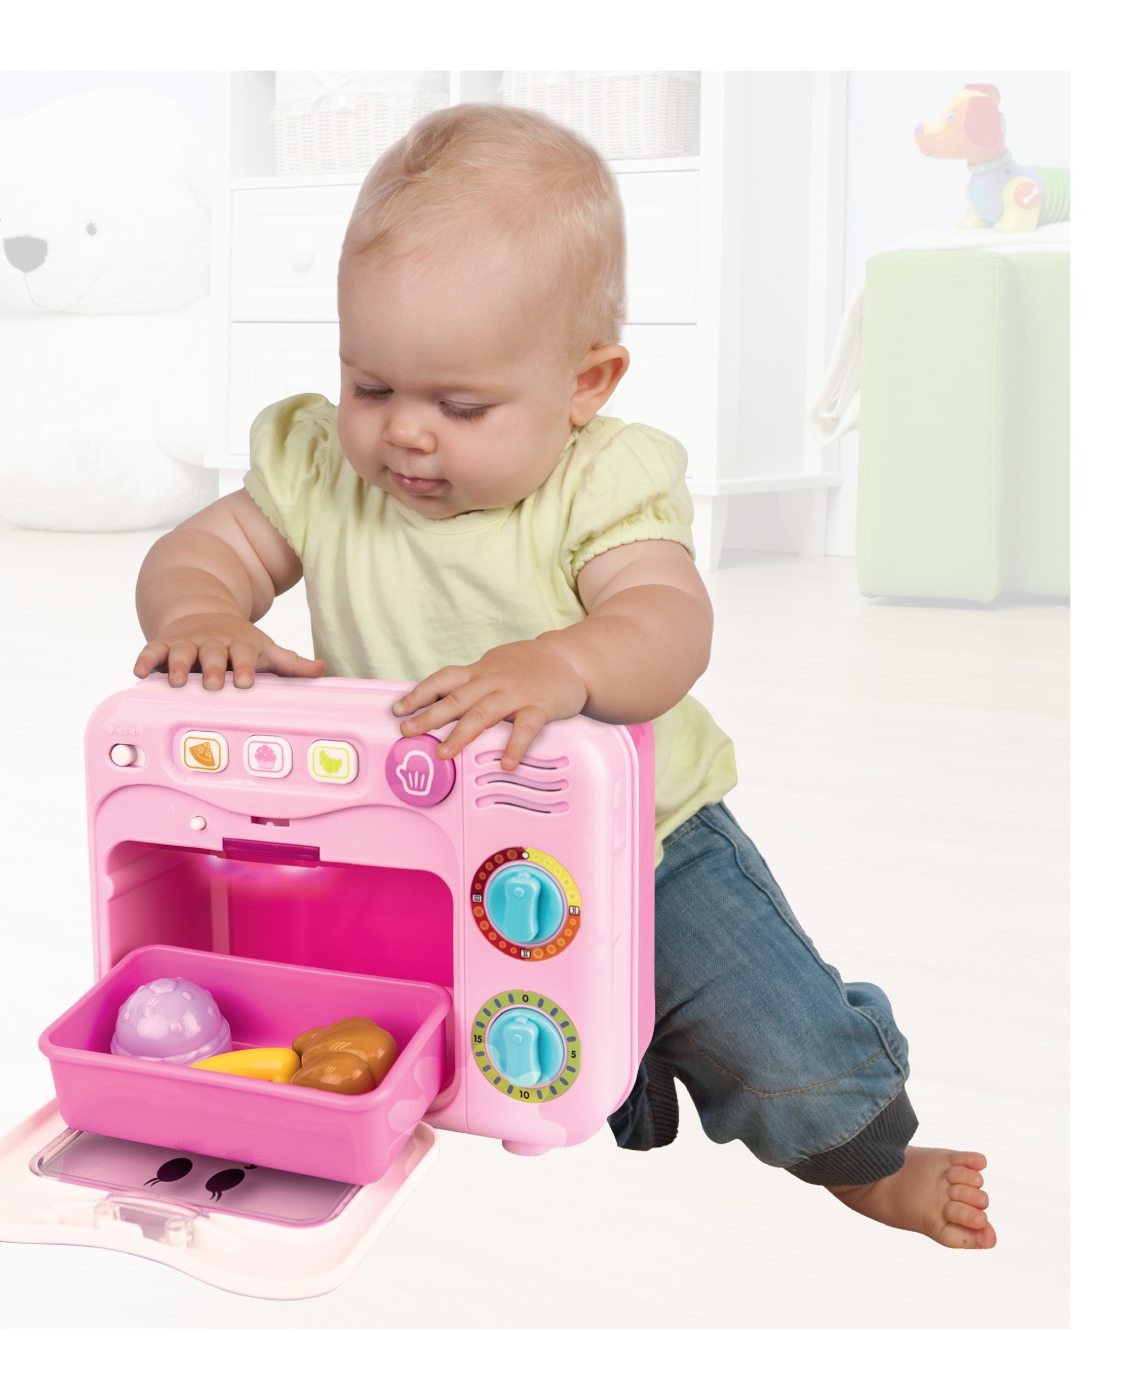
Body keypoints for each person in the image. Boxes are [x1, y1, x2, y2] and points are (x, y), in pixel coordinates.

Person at [133, 104, 995, 1248]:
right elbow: (200, 552)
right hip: (419, 840)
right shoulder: (320, 473)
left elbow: (666, 622)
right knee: (409, 1007)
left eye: (460, 405)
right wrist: (200, 611)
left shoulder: (597, 484)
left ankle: (864, 1159)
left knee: (772, 1041)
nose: (405, 434)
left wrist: (564, 661)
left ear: (584, 383)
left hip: (646, 845)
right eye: (370, 385)